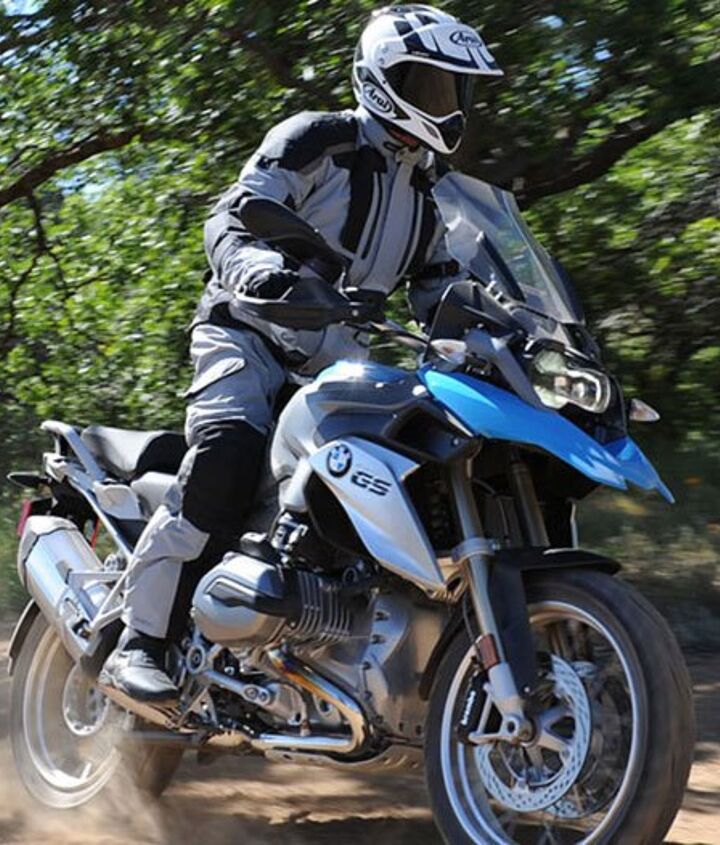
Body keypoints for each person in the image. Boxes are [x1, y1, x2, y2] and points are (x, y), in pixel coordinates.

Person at [100, 4, 503, 704]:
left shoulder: (429, 191)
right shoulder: (317, 139)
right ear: (383, 79)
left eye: (455, 89)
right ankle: (141, 641)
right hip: (248, 335)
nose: (449, 104)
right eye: (432, 84)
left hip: (335, 366)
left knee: (383, 484)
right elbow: (233, 216)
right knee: (227, 455)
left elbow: (441, 288)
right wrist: (259, 270)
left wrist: (497, 332)